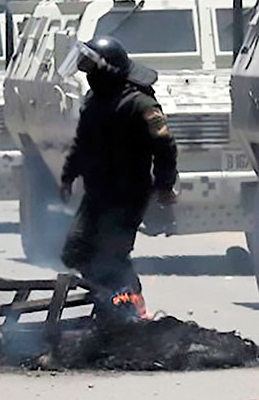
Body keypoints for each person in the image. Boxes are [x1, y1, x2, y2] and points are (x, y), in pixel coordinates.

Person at [58, 36, 178, 321]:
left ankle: (133, 310)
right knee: (76, 250)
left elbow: (164, 146)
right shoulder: (95, 101)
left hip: (127, 195)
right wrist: (68, 176)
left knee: (112, 255)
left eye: (90, 67)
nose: (86, 73)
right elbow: (82, 143)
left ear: (107, 70)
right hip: (97, 192)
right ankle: (108, 302)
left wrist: (164, 185)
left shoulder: (139, 103)